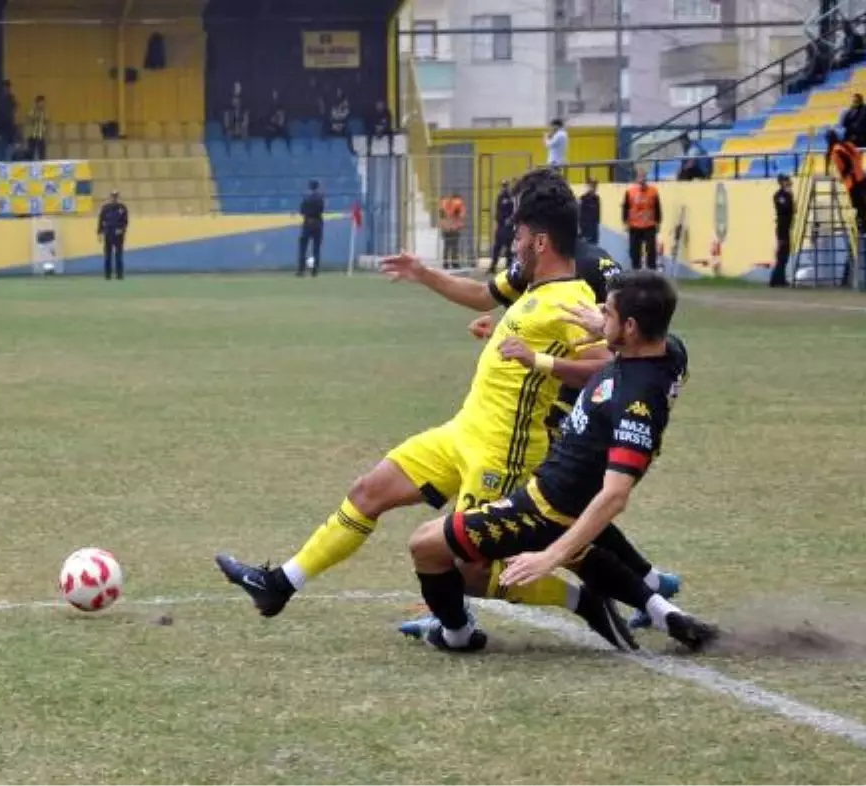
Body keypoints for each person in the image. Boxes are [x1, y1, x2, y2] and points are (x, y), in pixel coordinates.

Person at [215, 168, 620, 630]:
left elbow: (608, 369)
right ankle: (279, 585)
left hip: (501, 453)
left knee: (471, 570)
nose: (513, 241)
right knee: (369, 491)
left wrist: (541, 363)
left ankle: (585, 602)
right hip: (464, 431)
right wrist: (433, 281)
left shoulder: (572, 301)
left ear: (541, 242)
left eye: (519, 233)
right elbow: (486, 298)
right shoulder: (532, 285)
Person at [404, 271, 718, 653]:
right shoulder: (668, 352)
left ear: (632, 328)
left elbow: (616, 495)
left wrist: (551, 556)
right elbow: (649, 345)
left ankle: (456, 636)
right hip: (553, 492)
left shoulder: (637, 402)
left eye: (609, 312)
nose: (600, 315)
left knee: (427, 547)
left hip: (544, 510)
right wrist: (603, 330)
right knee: (582, 550)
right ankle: (663, 612)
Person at [623, 169, 661, 271]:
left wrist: (658, 222)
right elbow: (625, 207)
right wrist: (625, 222)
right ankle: (636, 271)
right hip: (634, 225)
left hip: (649, 225)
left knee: (651, 251)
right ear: (636, 178)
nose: (642, 179)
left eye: (644, 176)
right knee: (635, 251)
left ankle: (652, 272)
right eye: (640, 176)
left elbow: (657, 208)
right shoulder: (630, 191)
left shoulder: (653, 191)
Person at [97, 190, 129, 280]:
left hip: (119, 235)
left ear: (117, 197)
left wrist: (122, 230)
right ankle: (108, 275)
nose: (114, 198)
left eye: (115, 196)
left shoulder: (122, 208)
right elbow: (101, 221)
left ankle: (119, 275)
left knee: (119, 255)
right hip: (108, 233)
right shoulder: (105, 208)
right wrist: (99, 233)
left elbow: (125, 222)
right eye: (112, 196)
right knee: (108, 256)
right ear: (110, 197)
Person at [297, 179, 325, 277]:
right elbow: (321, 210)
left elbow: (301, 211)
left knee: (303, 247)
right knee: (316, 248)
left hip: (307, 223)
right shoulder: (320, 198)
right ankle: (314, 270)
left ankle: (301, 269)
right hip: (317, 223)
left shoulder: (306, 198)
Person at [771, 174, 794, 288]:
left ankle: (780, 279)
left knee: (785, 254)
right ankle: (776, 280)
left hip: (786, 227)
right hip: (782, 228)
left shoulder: (787, 195)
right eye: (786, 181)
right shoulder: (779, 195)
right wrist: (789, 194)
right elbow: (785, 207)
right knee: (782, 254)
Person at [489, 180, 514, 275]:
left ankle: (509, 266)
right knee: (497, 247)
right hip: (501, 225)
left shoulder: (512, 197)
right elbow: (498, 211)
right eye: (503, 186)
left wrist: (510, 220)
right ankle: (493, 266)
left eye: (506, 186)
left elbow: (513, 211)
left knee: (509, 247)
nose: (504, 188)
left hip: (508, 227)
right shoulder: (500, 197)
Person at [440, 192, 465, 270]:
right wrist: (457, 226)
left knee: (447, 246)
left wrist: (445, 226)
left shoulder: (443, 204)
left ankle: (446, 263)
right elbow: (460, 216)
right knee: (454, 246)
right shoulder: (458, 203)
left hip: (446, 228)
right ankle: (455, 263)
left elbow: (442, 217)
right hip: (454, 228)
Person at [579, 179, 601, 246]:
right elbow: (580, 215)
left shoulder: (597, 199)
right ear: (588, 186)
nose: (594, 188)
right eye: (592, 186)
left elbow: (597, 216)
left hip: (594, 230)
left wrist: (596, 231)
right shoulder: (583, 199)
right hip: (585, 230)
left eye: (595, 186)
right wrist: (582, 231)